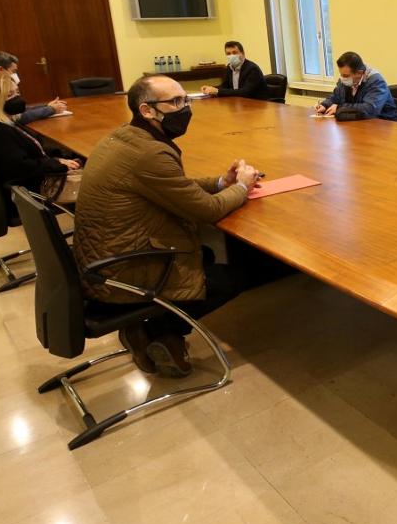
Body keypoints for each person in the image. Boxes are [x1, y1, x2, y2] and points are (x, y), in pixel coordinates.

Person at [73, 74, 262, 378]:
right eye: (175, 102)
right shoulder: (150, 152)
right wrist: (240, 187)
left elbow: (175, 185)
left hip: (103, 261)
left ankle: (149, 331)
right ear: (147, 110)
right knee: (234, 276)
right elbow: (206, 210)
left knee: (207, 255)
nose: (185, 108)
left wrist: (220, 182)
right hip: (122, 271)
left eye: (185, 99)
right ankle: (163, 331)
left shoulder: (125, 137)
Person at [0, 73, 82, 202]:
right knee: (98, 176)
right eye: (9, 95)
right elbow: (22, 167)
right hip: (29, 192)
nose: (17, 98)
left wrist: (57, 159)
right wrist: (57, 164)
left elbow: (25, 156)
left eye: (17, 93)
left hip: (26, 184)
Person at [0, 51, 67, 125]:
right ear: (1, 69)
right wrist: (50, 110)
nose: (15, 75)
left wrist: (46, 106)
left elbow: (16, 111)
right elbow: (17, 118)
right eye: (13, 71)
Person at [313, 51, 397, 120]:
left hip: (383, 124)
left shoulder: (376, 81)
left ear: (359, 73)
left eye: (345, 75)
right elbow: (336, 96)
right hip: (360, 124)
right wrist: (325, 105)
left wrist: (340, 108)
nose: (342, 78)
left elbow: (370, 109)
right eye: (341, 74)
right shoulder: (346, 80)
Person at [200, 40, 269, 100]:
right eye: (228, 54)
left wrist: (217, 91)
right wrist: (210, 88)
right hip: (239, 103)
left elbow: (245, 92)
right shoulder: (229, 68)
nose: (231, 56)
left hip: (257, 105)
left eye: (234, 52)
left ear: (242, 53)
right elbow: (225, 86)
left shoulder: (252, 69)